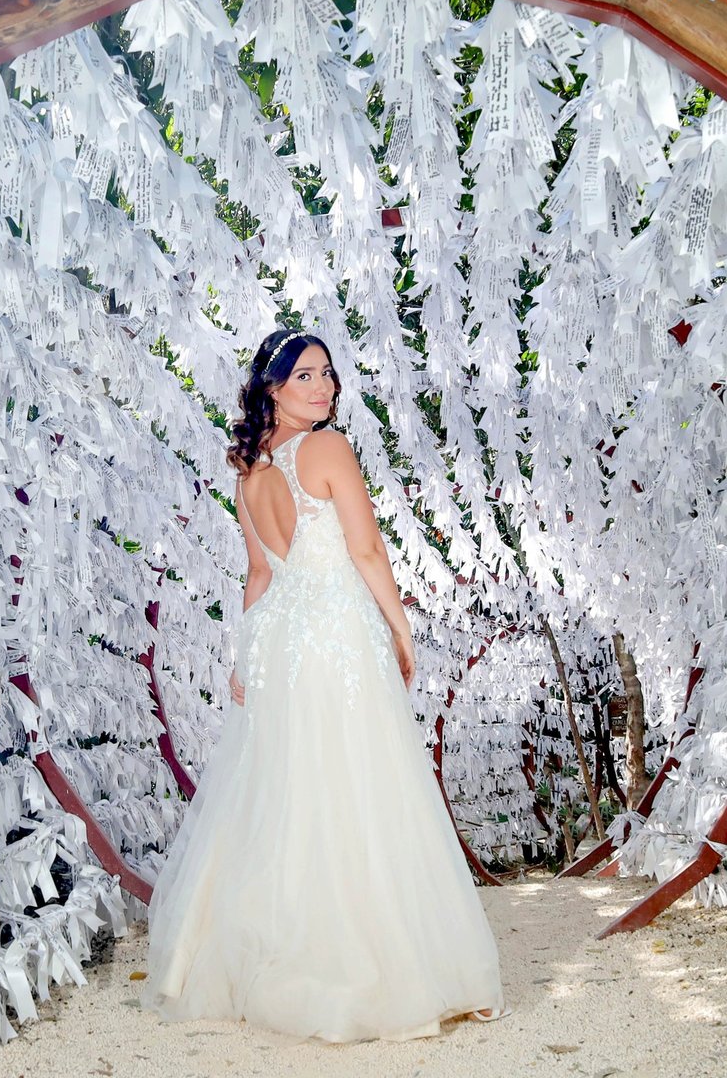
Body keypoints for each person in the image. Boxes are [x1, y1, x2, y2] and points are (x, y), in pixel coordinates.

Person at [140, 326, 508, 1042]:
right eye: (305, 375)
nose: (324, 388)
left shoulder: (248, 475)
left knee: (290, 789)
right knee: (358, 786)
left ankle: (277, 954)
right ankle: (362, 964)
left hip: (280, 638)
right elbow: (365, 548)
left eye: (328, 374)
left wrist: (245, 658)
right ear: (272, 388)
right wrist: (401, 627)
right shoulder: (329, 447)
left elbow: (259, 575)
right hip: (337, 631)